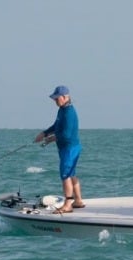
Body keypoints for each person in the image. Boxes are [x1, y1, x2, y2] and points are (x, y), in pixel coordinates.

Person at [34, 85, 85, 214]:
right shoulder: (62, 110)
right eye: (54, 99)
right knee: (71, 173)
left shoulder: (69, 112)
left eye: (57, 98)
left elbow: (66, 134)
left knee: (65, 174)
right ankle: (78, 200)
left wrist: (52, 138)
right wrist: (45, 133)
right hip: (67, 148)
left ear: (65, 97)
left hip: (70, 148)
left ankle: (68, 204)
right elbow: (57, 125)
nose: (55, 101)